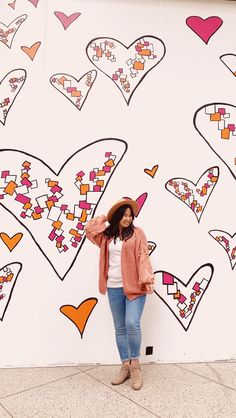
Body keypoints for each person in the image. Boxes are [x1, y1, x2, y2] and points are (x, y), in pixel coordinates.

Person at [85, 197, 155, 390]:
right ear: (117, 216)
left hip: (135, 286)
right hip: (113, 286)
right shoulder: (107, 235)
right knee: (120, 328)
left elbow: (143, 256)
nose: (127, 218)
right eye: (123, 215)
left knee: (132, 323)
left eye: (130, 215)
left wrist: (147, 278)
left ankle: (135, 366)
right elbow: (89, 229)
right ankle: (125, 365)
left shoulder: (138, 233)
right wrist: (106, 219)